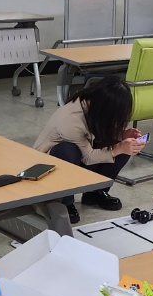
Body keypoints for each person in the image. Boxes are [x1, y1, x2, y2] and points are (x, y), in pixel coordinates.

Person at [32, 76, 145, 224]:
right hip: (47, 167)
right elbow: (88, 157)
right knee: (68, 150)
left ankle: (95, 193)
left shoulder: (94, 107)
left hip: (79, 156)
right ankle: (63, 201)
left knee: (123, 147)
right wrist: (118, 148)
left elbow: (98, 133)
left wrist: (122, 135)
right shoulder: (71, 120)